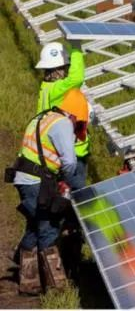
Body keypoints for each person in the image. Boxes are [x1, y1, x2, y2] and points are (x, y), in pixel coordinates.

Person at [12, 89, 88, 295]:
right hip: (37, 181)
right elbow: (69, 161)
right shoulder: (63, 124)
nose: (77, 128)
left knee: (34, 224)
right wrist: (68, 180)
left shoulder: (44, 117)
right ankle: (57, 287)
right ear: (74, 115)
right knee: (50, 226)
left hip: (25, 178)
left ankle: (29, 280)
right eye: (79, 123)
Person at [34, 43, 89, 185]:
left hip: (53, 151)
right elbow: (76, 78)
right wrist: (76, 48)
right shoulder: (57, 89)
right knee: (76, 193)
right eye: (66, 67)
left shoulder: (45, 87)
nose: (68, 70)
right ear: (59, 70)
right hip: (71, 153)